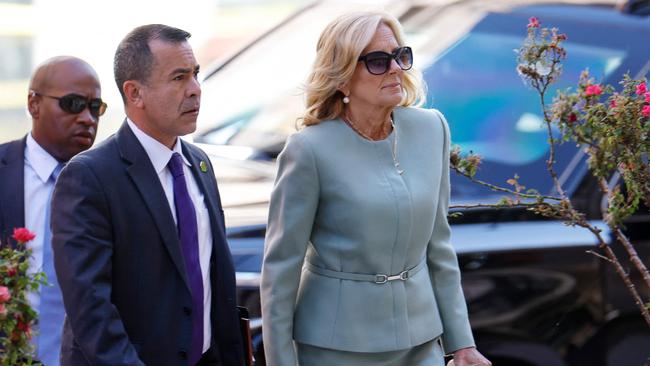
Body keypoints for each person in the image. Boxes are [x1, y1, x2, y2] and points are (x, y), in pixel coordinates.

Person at [261, 11, 491, 366]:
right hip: (336, 347)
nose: (396, 68)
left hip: (422, 341)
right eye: (378, 62)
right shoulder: (309, 150)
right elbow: (280, 271)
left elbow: (439, 246)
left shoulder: (432, 129)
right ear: (341, 78)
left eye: (400, 56)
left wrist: (462, 343)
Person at [51, 24, 244, 366]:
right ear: (135, 93)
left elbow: (214, 283)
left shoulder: (198, 164)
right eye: (178, 78)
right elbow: (91, 310)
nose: (195, 90)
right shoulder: (89, 177)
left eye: (196, 74)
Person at [0, 56, 104, 365]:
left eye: (95, 107)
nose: (87, 118)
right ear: (33, 103)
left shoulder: (112, 184)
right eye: (73, 104)